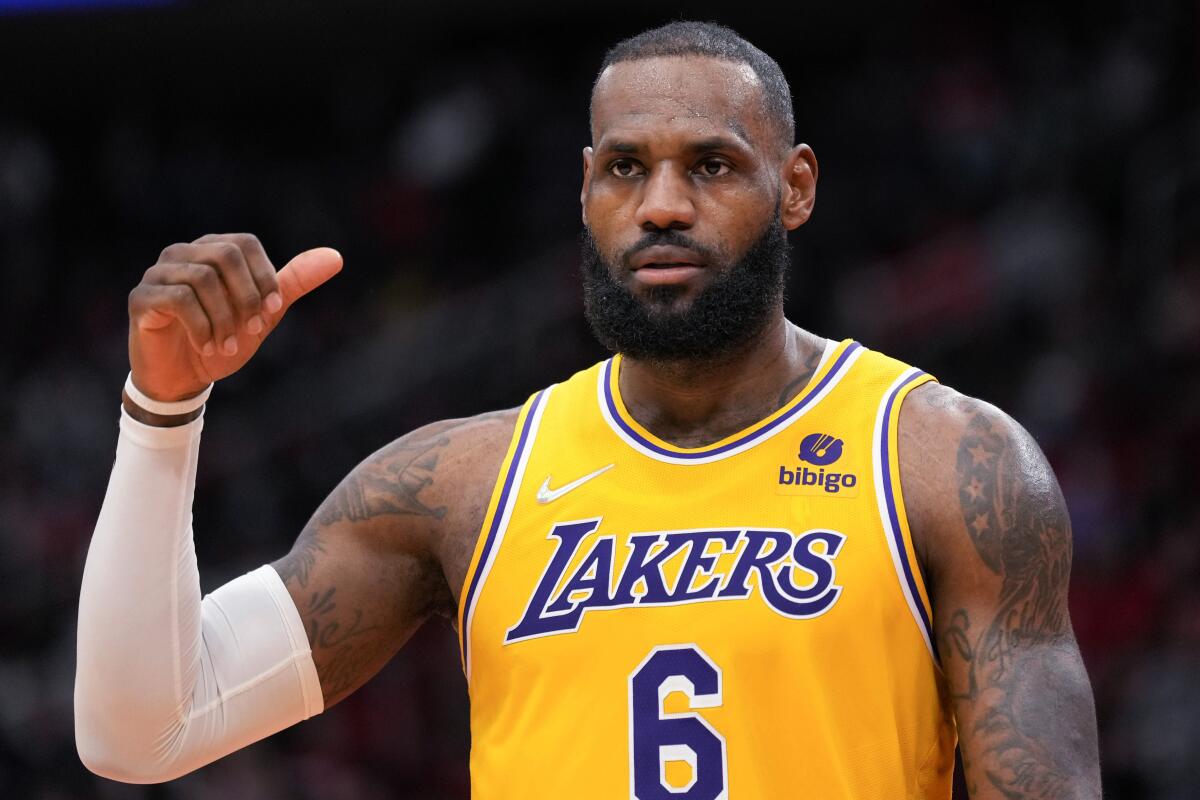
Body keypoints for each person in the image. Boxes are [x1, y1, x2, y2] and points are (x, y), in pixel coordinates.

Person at [75, 20, 1102, 799]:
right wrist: (162, 408)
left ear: (794, 187)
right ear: (584, 192)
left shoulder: (943, 462)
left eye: (710, 164)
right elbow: (141, 728)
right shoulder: (462, 486)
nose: (660, 203)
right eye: (624, 168)